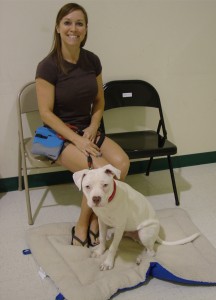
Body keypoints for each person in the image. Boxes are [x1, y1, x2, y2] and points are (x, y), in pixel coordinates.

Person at [35, 3, 130, 247]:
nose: (73, 29)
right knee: (99, 171)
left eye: (79, 23)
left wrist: (93, 125)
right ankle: (82, 224)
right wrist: (77, 139)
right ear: (57, 28)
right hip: (58, 135)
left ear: (86, 29)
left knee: (121, 165)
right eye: (67, 23)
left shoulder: (92, 61)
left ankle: (95, 220)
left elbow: (99, 101)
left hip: (87, 131)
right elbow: (45, 114)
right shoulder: (48, 66)